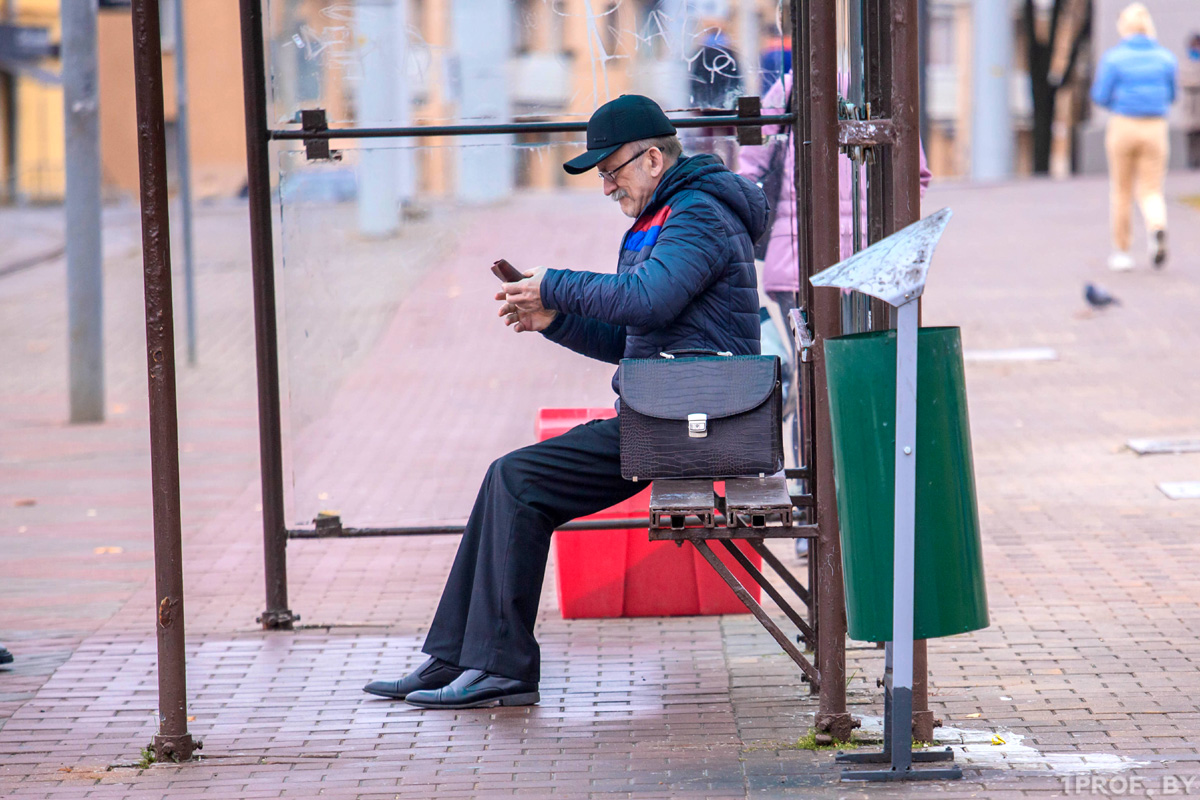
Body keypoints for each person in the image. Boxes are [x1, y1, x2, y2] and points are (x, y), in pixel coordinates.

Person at [363, 95, 768, 709]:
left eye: (613, 170)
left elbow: (647, 300)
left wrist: (554, 281)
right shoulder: (668, 214)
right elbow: (635, 333)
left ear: (654, 158)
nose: (606, 186)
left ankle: (502, 665)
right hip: (673, 410)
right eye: (601, 176)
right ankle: (455, 656)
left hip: (696, 422)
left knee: (518, 480)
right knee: (513, 480)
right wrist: (552, 319)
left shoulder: (698, 215)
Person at [1090, 3, 1178, 271]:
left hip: (1123, 125)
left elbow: (1099, 96)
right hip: (1155, 127)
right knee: (1151, 189)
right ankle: (1157, 228)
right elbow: (1172, 95)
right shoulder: (1165, 58)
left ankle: (1122, 252)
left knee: (1121, 190)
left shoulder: (1114, 58)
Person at [1181, 33, 1200, 169]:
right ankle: (1193, 162)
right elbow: (1183, 79)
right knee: (1191, 134)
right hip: (1190, 105)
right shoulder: (1184, 62)